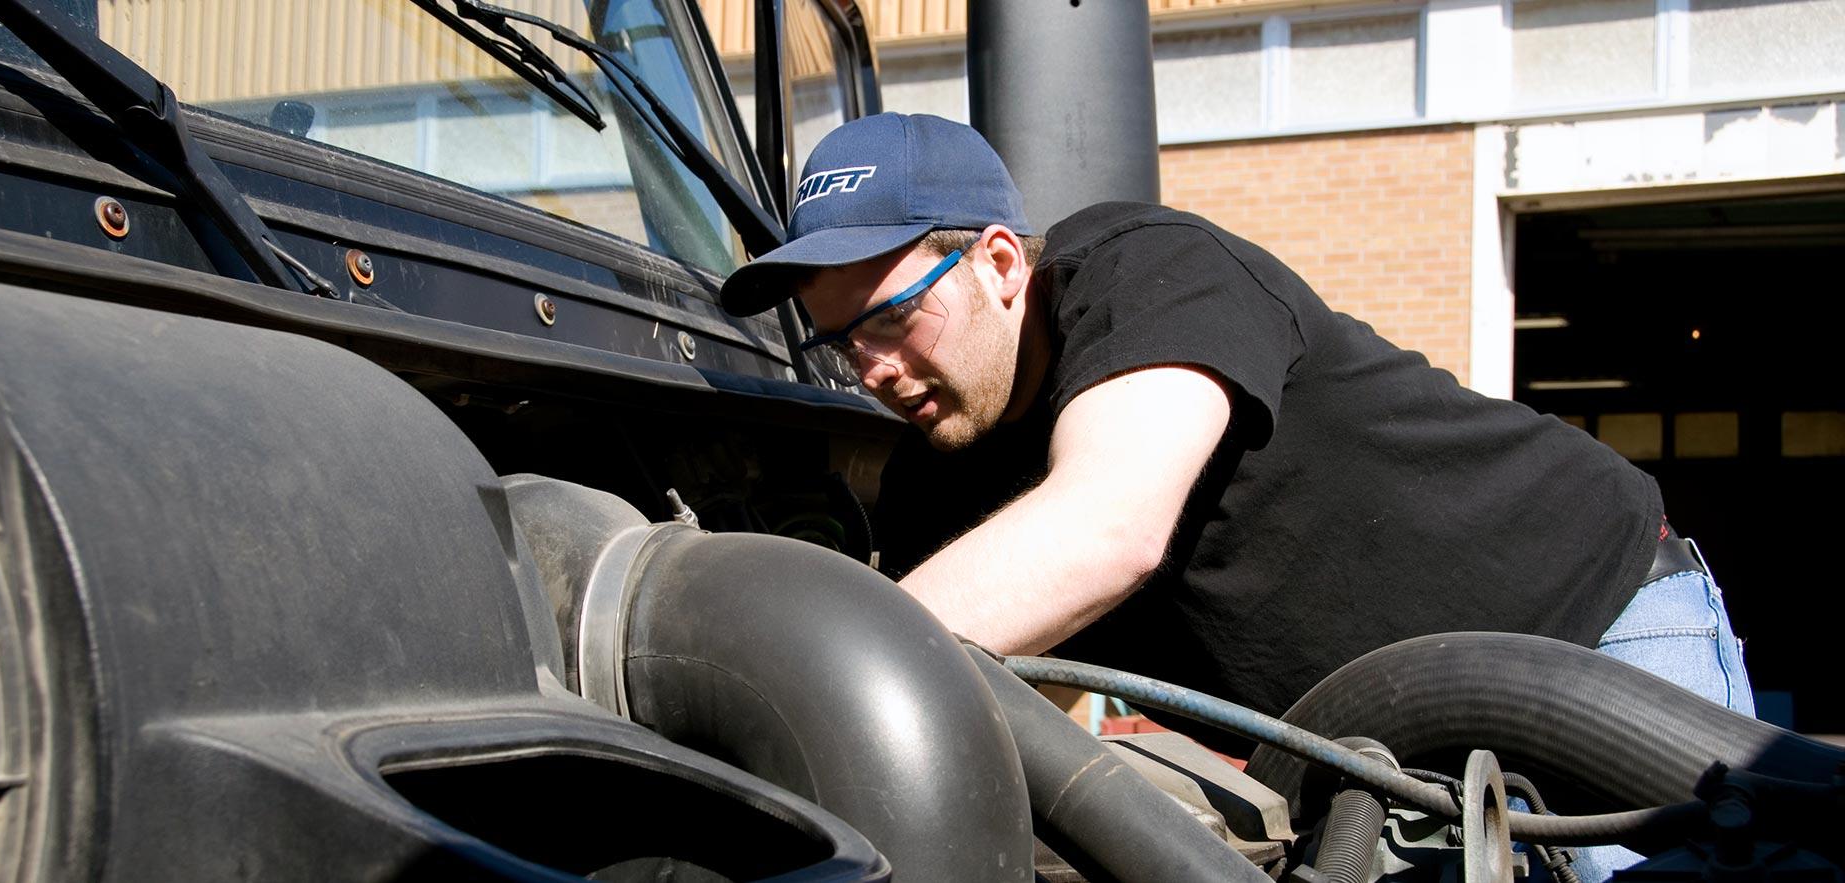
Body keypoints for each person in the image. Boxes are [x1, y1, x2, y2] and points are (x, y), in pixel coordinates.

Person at [720, 113, 1753, 877]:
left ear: (998, 261)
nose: (873, 370)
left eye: (894, 319)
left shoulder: (1146, 269)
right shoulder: (934, 481)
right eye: (843, 339)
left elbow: (1105, 526)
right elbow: (1005, 713)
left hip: (1598, 626)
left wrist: (806, 666)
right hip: (1382, 753)